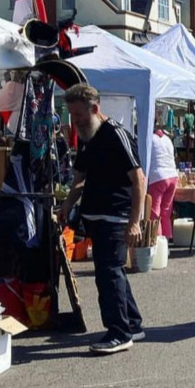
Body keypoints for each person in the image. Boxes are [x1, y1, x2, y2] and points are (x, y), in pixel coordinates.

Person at [59, 85, 145, 355]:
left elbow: (139, 179)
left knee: (108, 274)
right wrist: (67, 204)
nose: (75, 121)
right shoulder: (88, 136)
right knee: (113, 271)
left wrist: (135, 222)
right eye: (72, 115)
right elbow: (80, 176)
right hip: (95, 215)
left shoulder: (116, 134)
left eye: (79, 115)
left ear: (95, 109)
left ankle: (119, 333)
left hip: (115, 216)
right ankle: (131, 323)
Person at [147, 125, 178, 241]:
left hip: (158, 176)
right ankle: (167, 240)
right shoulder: (167, 139)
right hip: (173, 176)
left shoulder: (150, 139)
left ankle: (158, 242)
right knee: (166, 212)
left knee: (154, 213)